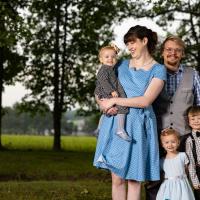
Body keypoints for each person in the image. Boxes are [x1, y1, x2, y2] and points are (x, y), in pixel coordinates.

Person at [93, 25, 166, 200]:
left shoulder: (158, 69)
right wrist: (103, 104)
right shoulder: (120, 64)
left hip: (139, 125)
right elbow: (100, 88)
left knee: (134, 180)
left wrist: (115, 100)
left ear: (144, 41)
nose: (129, 47)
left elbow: (145, 100)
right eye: (127, 44)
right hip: (116, 122)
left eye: (133, 42)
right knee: (117, 178)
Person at [146, 35, 200, 200]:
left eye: (177, 50)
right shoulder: (152, 74)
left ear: (182, 54)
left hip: (185, 136)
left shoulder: (194, 74)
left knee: (191, 176)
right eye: (169, 49)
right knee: (154, 179)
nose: (173, 53)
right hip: (156, 134)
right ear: (162, 52)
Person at [94, 44, 131, 141]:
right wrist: (112, 91)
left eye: (113, 57)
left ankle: (98, 129)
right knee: (122, 108)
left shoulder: (110, 68)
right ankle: (120, 129)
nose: (110, 59)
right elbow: (103, 80)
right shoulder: (104, 69)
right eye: (107, 57)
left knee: (106, 112)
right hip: (106, 93)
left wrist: (115, 51)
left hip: (106, 93)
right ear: (101, 59)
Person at [156, 128, 195, 200]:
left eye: (173, 142)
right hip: (169, 186)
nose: (170, 145)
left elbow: (186, 169)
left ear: (178, 142)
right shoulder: (162, 161)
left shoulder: (182, 155)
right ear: (162, 144)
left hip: (182, 184)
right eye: (167, 142)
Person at [185, 106, 200, 200]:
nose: (196, 121)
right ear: (189, 121)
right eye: (193, 118)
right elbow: (190, 162)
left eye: (199, 118)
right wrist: (195, 181)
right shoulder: (190, 140)